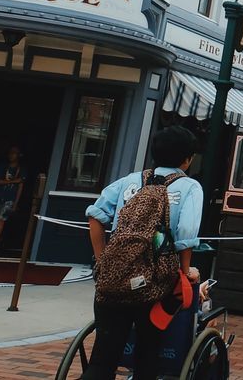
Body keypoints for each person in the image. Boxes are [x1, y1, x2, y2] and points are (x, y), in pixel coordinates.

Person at [83, 126, 204, 380]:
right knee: (148, 355)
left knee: (102, 359)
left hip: (113, 281)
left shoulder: (130, 180)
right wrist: (185, 272)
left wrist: (103, 261)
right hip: (155, 285)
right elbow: (186, 235)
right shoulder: (190, 187)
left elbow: (95, 216)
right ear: (187, 159)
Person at [0, 145, 25, 255]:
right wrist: (14, 181)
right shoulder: (3, 167)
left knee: (1, 220)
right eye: (10, 153)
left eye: (14, 153)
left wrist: (16, 202)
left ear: (19, 155)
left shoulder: (21, 169)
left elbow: (21, 186)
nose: (12, 155)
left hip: (10, 198)